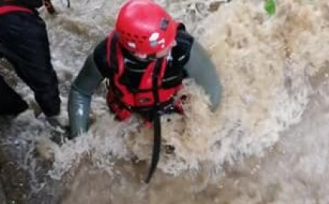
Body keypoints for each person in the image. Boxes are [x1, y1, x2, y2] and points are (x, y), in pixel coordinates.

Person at [68, 0, 222, 140]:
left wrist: (195, 132)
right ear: (141, 54)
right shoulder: (106, 58)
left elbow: (212, 95)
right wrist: (79, 140)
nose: (174, 43)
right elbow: (80, 92)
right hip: (127, 115)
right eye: (165, 43)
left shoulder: (183, 49)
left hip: (171, 113)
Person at [0, 0, 62, 128]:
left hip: (10, 15)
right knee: (19, 111)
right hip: (13, 19)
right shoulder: (23, 27)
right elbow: (44, 82)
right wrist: (55, 116)